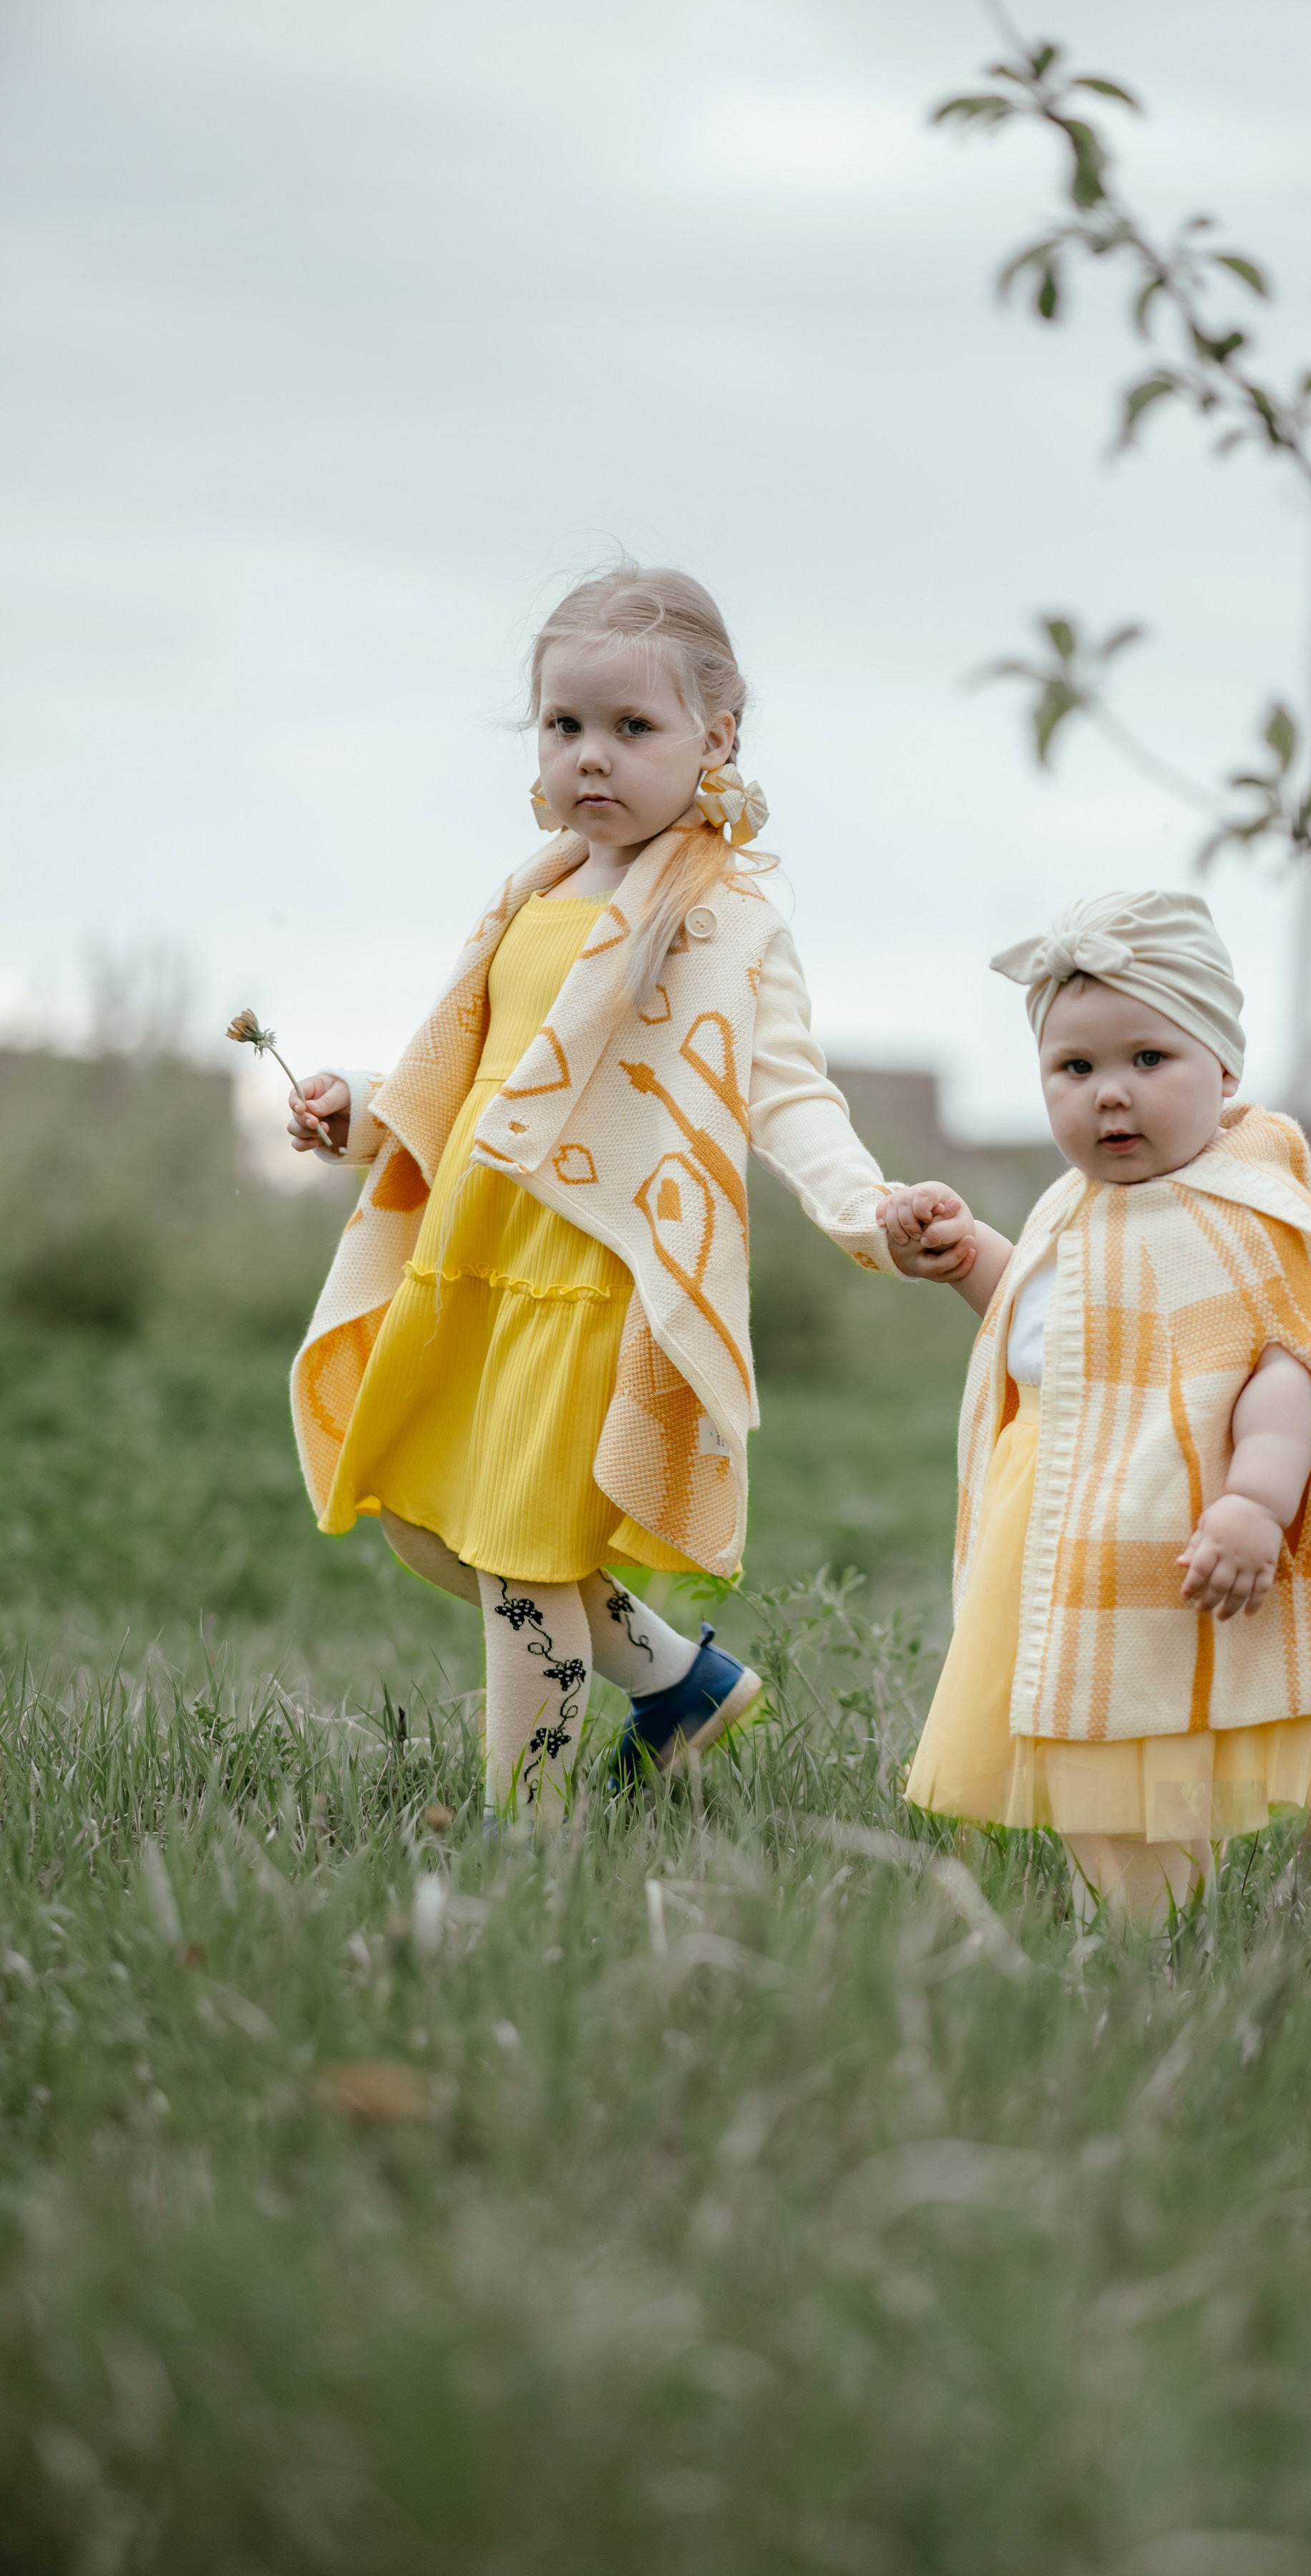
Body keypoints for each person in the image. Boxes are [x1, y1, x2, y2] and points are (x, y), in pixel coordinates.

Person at [286, 563, 962, 1817]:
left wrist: (871, 1213)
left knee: (524, 1556)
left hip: (590, 1275)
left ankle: (525, 1833)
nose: (591, 757)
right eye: (565, 726)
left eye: (631, 729)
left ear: (717, 739)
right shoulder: (537, 888)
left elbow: (786, 1092)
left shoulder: (724, 924)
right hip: (475, 1256)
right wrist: (363, 1105)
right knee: (428, 1519)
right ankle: (679, 1684)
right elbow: (480, 1071)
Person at [882, 892, 1311, 1927]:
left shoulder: (1233, 1216)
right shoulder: (1080, 1205)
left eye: (1150, 1061)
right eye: (1077, 1069)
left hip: (1163, 1522)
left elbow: (1289, 1371)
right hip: (1058, 1510)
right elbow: (1054, 1325)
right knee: (1075, 1722)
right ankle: (1126, 1912)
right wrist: (972, 1258)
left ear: (1225, 1071)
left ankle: (1150, 1930)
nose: (1111, 1096)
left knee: (1138, 1736)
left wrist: (1255, 1504)